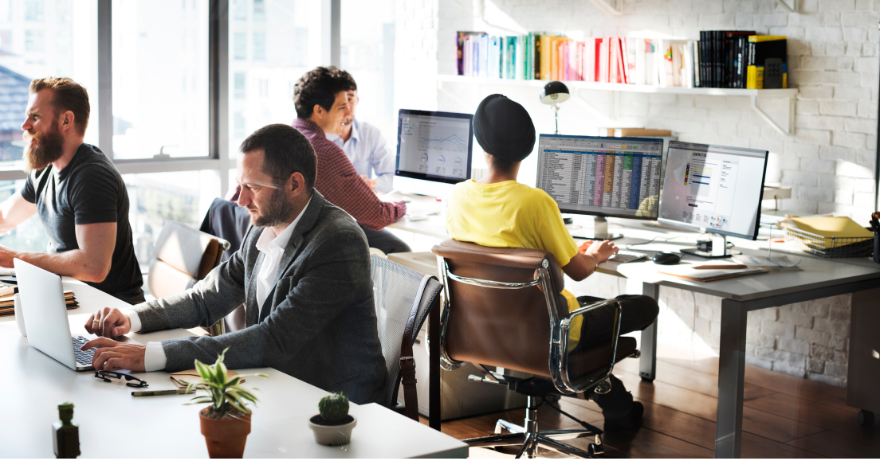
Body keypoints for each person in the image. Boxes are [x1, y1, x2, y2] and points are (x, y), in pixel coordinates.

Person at [81, 124, 387, 405]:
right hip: (277, 384)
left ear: (295, 184)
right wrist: (131, 317)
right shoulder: (262, 229)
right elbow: (207, 298)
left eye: (252, 187)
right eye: (240, 185)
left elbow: (273, 339)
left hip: (335, 403)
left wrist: (152, 355)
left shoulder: (337, 241)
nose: (240, 200)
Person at [445, 94, 659, 431]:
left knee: (584, 310)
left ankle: (614, 405)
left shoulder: (458, 196)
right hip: (549, 332)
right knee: (642, 306)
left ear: (482, 146)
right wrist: (596, 254)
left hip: (485, 330)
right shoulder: (535, 202)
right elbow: (578, 270)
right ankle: (616, 407)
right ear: (527, 148)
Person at [0, 77, 144, 304]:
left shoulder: (91, 176)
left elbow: (94, 266)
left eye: (35, 117)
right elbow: (5, 218)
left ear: (66, 120)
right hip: (70, 299)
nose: (25, 125)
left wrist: (14, 259)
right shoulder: (44, 170)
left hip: (109, 312)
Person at [292, 66, 410, 255]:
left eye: (350, 102)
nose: (348, 112)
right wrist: (402, 204)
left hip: (294, 244)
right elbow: (376, 216)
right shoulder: (324, 152)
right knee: (401, 251)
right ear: (319, 111)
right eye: (341, 106)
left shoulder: (285, 137)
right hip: (314, 247)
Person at [324, 70, 395, 194]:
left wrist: (368, 185)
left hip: (360, 207)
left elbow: (391, 176)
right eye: (340, 101)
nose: (346, 107)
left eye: (350, 99)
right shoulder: (318, 138)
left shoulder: (371, 134)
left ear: (357, 101)